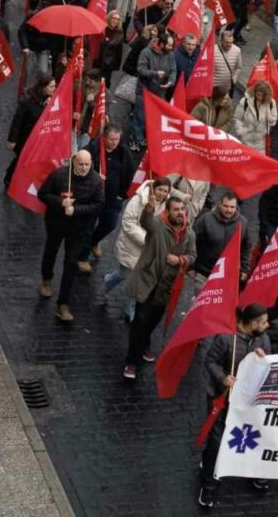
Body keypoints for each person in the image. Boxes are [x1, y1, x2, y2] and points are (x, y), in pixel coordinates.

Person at [198, 303, 271, 508]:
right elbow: (210, 361)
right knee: (216, 441)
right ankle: (208, 486)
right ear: (253, 323)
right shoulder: (225, 338)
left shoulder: (263, 339)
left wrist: (265, 359)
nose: (267, 325)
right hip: (221, 397)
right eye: (264, 322)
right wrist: (223, 378)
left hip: (245, 401)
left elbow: (269, 363)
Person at [123, 194, 196, 379]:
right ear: (167, 211)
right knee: (140, 320)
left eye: (182, 209)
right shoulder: (158, 224)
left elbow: (193, 256)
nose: (180, 213)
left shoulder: (189, 233)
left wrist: (180, 260)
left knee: (153, 319)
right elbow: (146, 222)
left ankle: (144, 343)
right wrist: (149, 208)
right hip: (148, 280)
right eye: (176, 210)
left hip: (167, 285)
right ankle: (132, 361)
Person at [38, 150, 105, 322]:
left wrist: (76, 210)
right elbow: (43, 194)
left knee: (71, 263)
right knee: (51, 251)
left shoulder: (96, 181)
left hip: (79, 229)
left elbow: (98, 205)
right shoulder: (59, 174)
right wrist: (61, 202)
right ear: (74, 162)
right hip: (56, 223)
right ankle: (47, 279)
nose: (84, 168)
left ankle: (63, 304)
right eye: (81, 164)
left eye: (87, 164)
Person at [105, 177, 171, 320]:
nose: (162, 194)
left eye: (165, 191)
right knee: (124, 275)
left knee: (136, 279)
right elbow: (128, 223)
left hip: (149, 251)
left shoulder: (166, 205)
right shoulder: (138, 200)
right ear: (154, 188)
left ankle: (130, 307)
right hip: (132, 247)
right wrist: (147, 240)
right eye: (160, 189)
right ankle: (108, 282)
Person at [81, 124, 136, 270]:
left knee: (109, 225)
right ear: (104, 138)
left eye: (116, 139)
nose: (114, 142)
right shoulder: (93, 149)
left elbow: (130, 173)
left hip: (113, 200)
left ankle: (94, 241)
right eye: (111, 139)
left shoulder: (123, 152)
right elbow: (81, 167)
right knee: (87, 227)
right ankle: (82, 257)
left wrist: (122, 195)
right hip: (93, 199)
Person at [4, 75, 56, 187]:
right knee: (21, 159)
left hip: (38, 138)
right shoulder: (27, 102)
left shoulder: (49, 101)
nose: (54, 89)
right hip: (24, 137)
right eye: (51, 86)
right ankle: (9, 177)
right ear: (43, 87)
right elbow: (17, 121)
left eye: (54, 86)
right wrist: (12, 140)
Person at [193, 191, 251, 288]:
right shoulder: (206, 219)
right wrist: (191, 264)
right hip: (204, 273)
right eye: (226, 206)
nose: (229, 210)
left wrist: (245, 268)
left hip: (228, 275)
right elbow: (193, 241)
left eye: (232, 207)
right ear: (220, 205)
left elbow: (246, 247)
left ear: (236, 207)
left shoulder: (243, 223)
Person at [130, 31, 176, 151]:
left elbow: (173, 70)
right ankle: (136, 139)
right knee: (139, 118)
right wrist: (155, 74)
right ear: (161, 44)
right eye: (169, 45)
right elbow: (140, 69)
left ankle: (145, 138)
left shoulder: (170, 54)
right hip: (144, 91)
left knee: (154, 118)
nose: (172, 48)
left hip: (159, 92)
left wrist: (171, 81)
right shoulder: (146, 52)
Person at [233, 80, 277, 155]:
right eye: (258, 94)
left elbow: (274, 119)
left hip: (261, 143)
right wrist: (241, 131)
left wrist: (271, 119)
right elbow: (237, 118)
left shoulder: (271, 103)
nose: (259, 97)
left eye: (262, 95)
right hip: (244, 140)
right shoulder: (245, 101)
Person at [97, 11, 124, 87]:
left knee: (105, 84)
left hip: (108, 64)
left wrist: (115, 66)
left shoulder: (119, 34)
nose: (115, 21)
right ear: (109, 18)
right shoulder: (102, 29)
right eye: (114, 18)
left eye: (117, 19)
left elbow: (119, 51)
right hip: (97, 61)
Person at [212, 29, 242, 98]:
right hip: (213, 88)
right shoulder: (212, 50)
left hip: (227, 88)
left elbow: (239, 67)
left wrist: (235, 76)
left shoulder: (237, 50)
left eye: (231, 42)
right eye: (227, 42)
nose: (229, 45)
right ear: (221, 40)